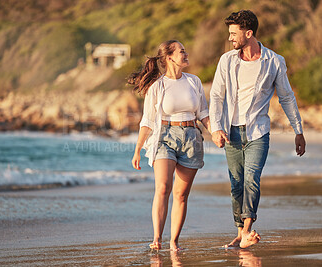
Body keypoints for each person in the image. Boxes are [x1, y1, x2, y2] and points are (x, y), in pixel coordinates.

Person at [209, 10, 306, 248]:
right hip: (231, 131)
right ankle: (241, 232)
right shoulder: (227, 60)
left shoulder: (274, 61)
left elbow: (286, 97)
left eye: (234, 33)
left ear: (248, 33)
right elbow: (216, 95)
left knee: (252, 179)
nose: (231, 38)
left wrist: (298, 129)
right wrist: (216, 128)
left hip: (258, 133)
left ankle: (249, 229)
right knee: (236, 183)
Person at [130, 40, 210, 251]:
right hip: (164, 136)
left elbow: (203, 113)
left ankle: (174, 242)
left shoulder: (194, 81)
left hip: (192, 138)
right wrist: (138, 149)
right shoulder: (157, 87)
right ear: (169, 57)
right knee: (163, 187)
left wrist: (217, 133)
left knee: (181, 195)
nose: (186, 54)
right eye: (181, 51)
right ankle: (157, 238)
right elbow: (147, 121)